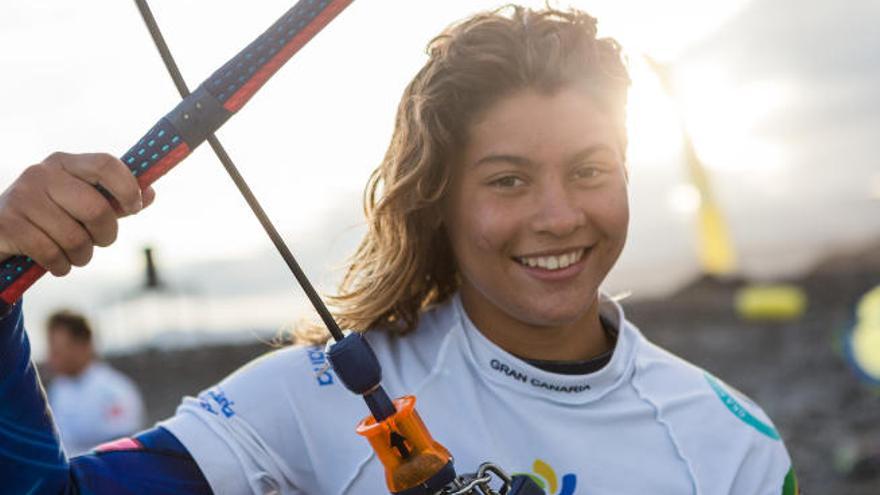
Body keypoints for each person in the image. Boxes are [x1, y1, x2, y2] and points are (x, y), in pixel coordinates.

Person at [0, 6, 799, 494]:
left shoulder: (733, 443)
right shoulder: (310, 396)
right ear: (438, 203)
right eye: (509, 180)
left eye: (590, 171)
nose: (558, 216)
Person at [44, 309, 145, 455]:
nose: (51, 355)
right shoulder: (57, 390)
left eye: (57, 348)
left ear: (82, 345)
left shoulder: (115, 390)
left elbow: (122, 448)